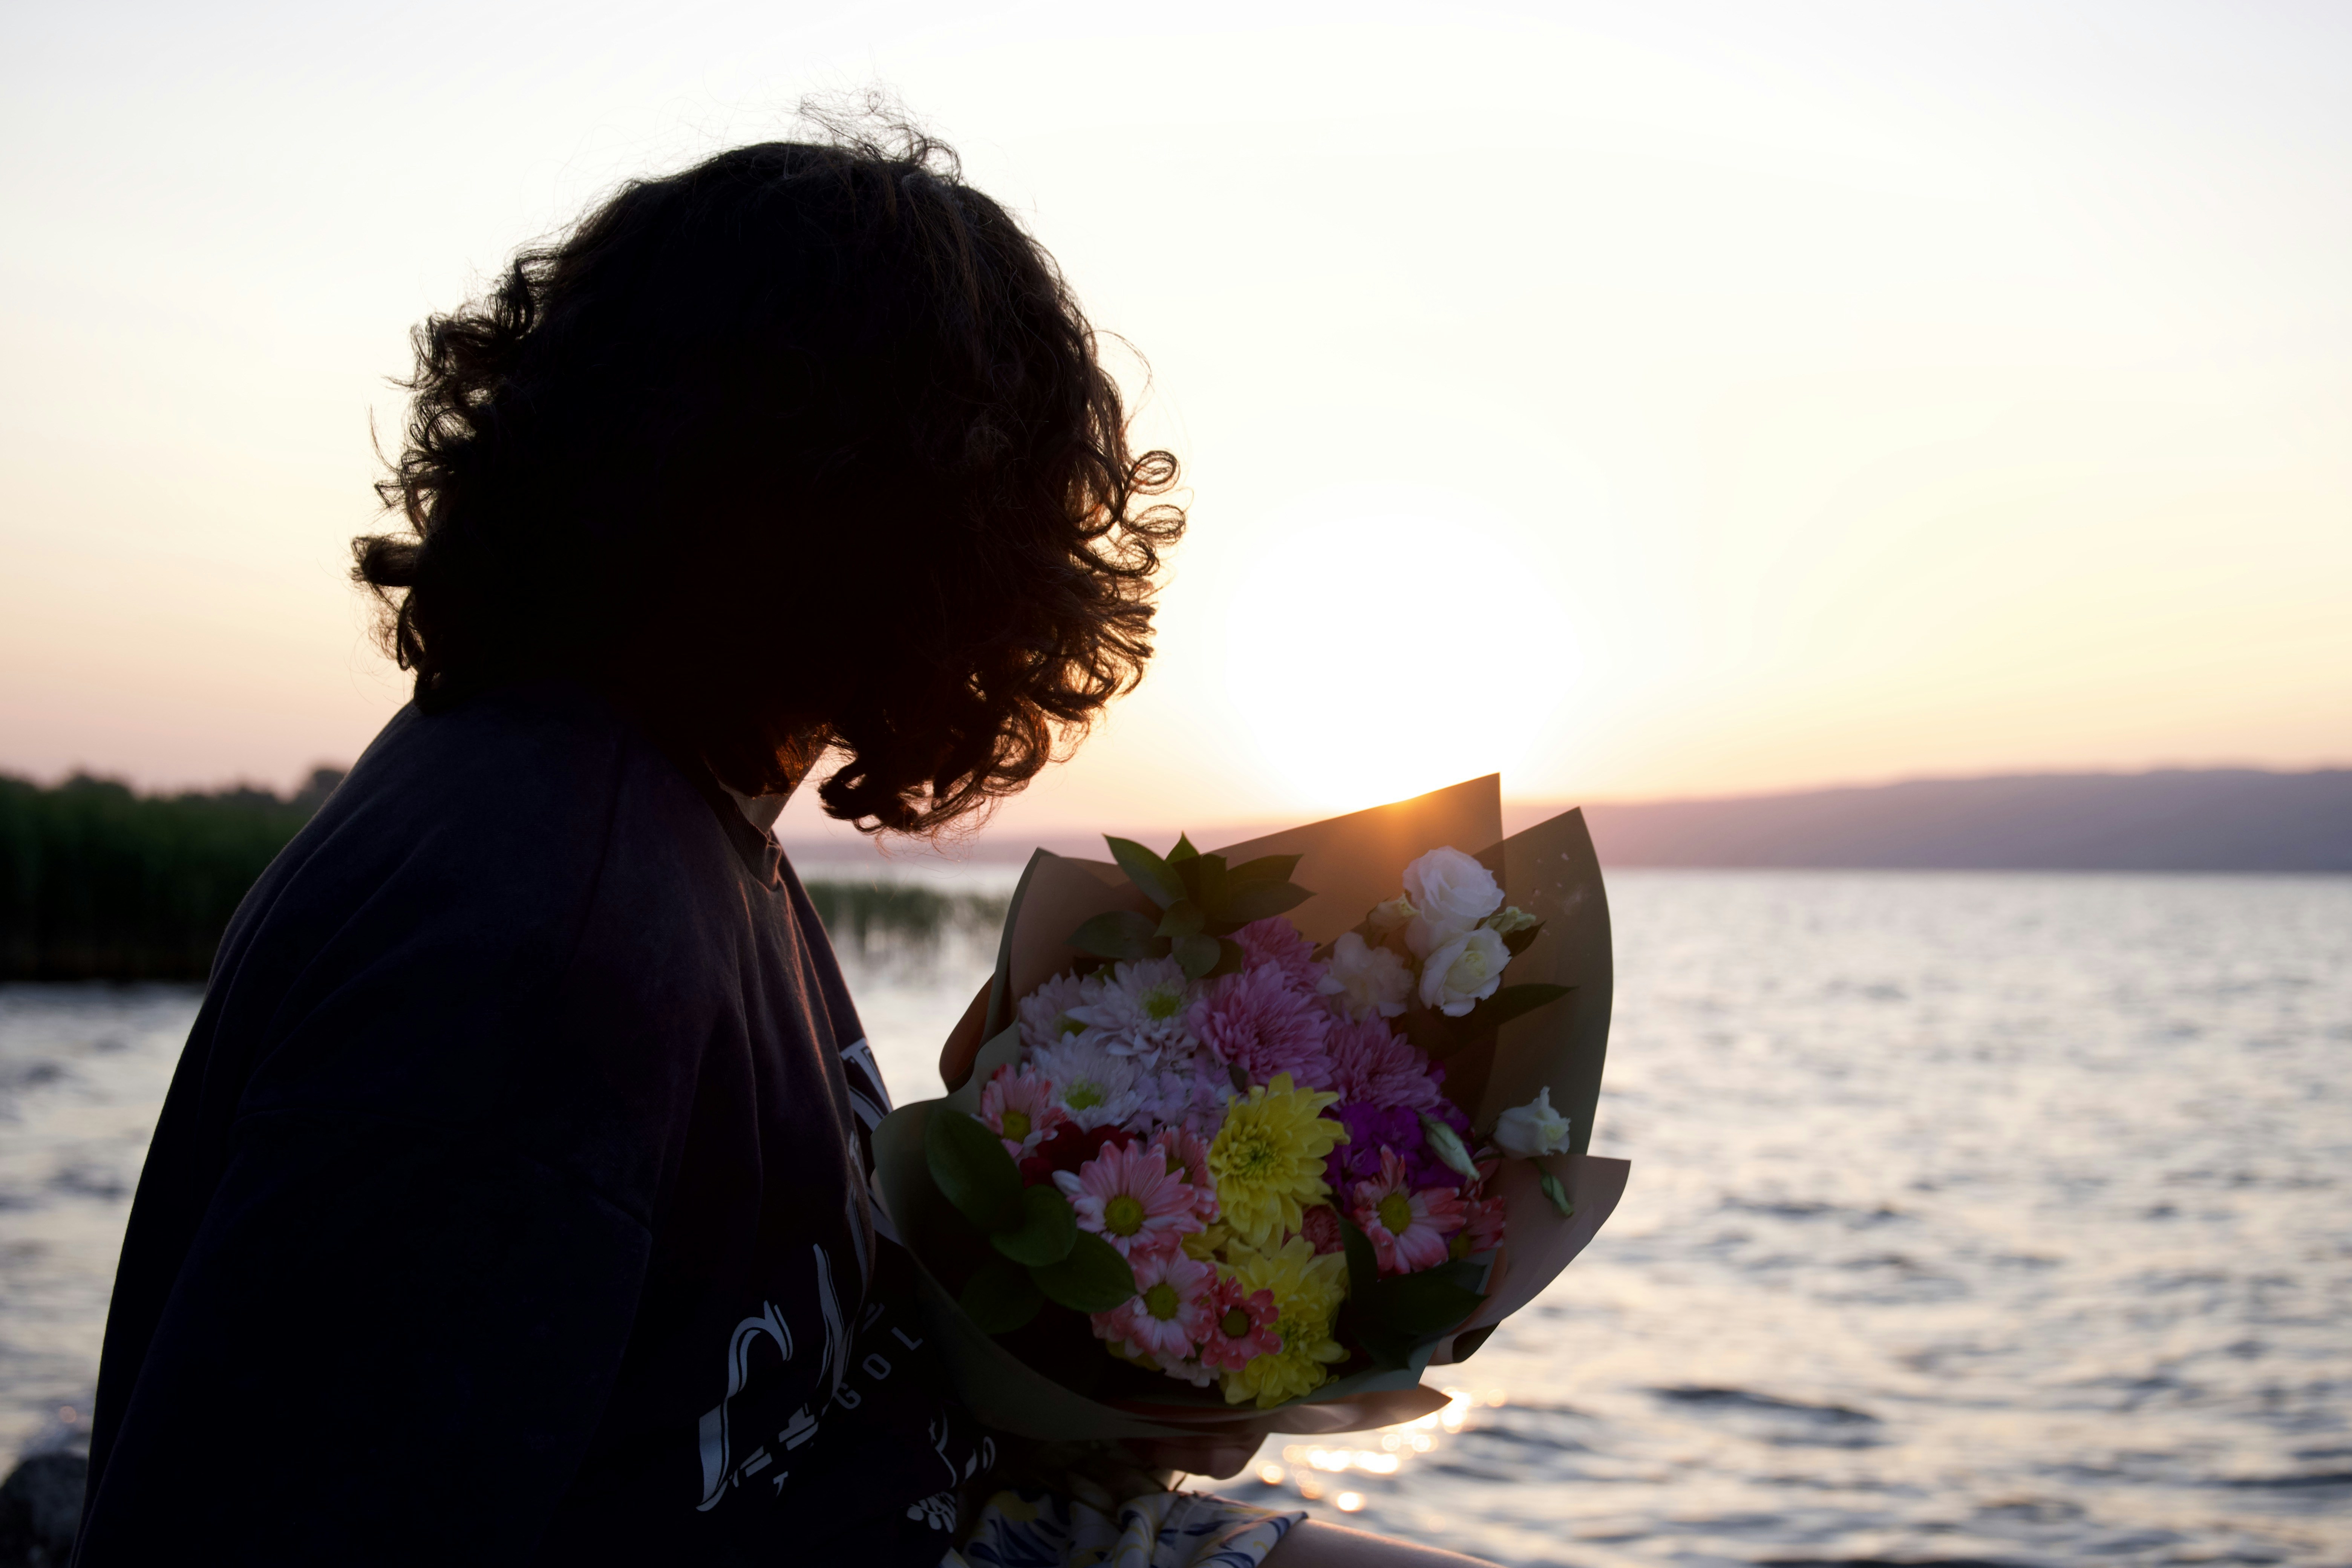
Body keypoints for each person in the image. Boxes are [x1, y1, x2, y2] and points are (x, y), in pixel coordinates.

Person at [71, 114, 1492, 1568]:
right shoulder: (535, 939)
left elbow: (713, 1386)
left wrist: (1089, 1385)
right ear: (916, 528)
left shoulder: (662, 808)